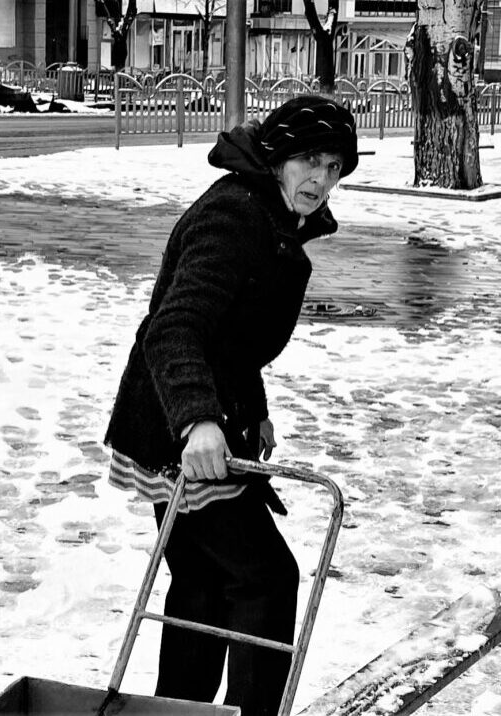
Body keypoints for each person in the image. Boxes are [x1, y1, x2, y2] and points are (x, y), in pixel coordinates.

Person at [104, 95, 358, 716]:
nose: (320, 179)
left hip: (182, 419)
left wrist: (253, 406)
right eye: (308, 160)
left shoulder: (267, 214)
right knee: (266, 578)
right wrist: (198, 420)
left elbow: (231, 336)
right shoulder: (235, 217)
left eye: (334, 165)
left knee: (204, 583)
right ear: (276, 158)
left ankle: (179, 711)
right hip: (175, 430)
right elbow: (176, 327)